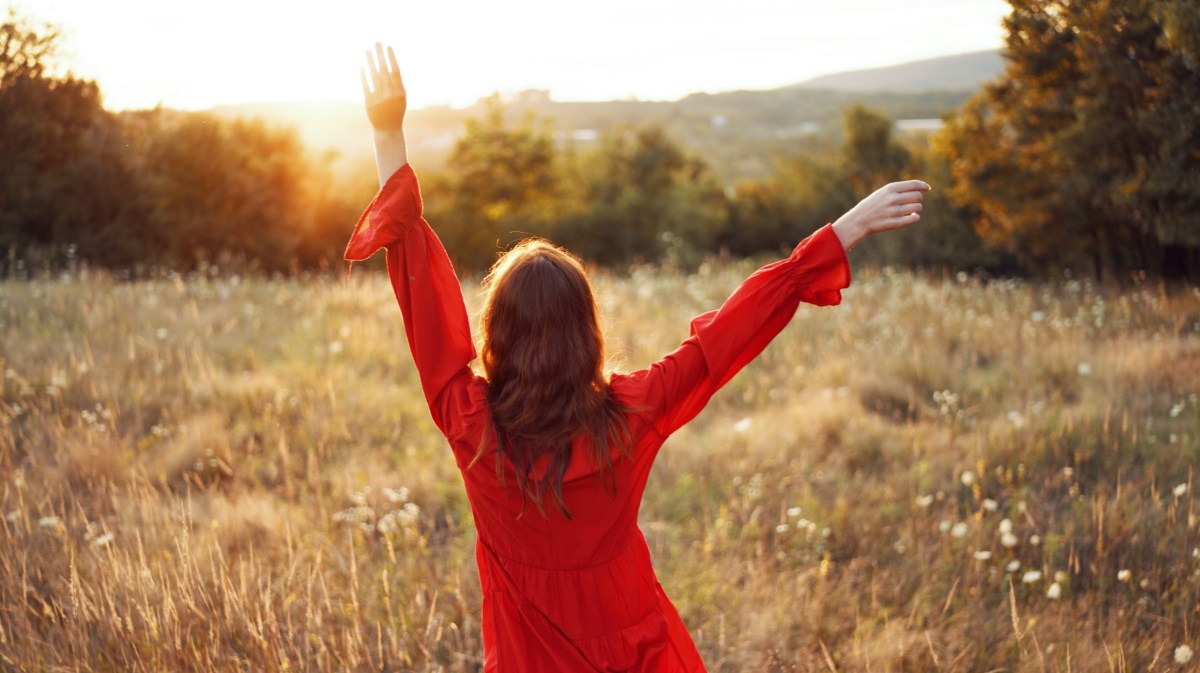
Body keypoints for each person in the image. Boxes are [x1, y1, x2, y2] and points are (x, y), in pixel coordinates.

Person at [348, 43, 930, 673]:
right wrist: (839, 234)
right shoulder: (630, 414)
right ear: (586, 332)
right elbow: (722, 342)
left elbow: (421, 299)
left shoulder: (471, 424)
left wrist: (388, 133)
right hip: (636, 652)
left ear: (498, 331)